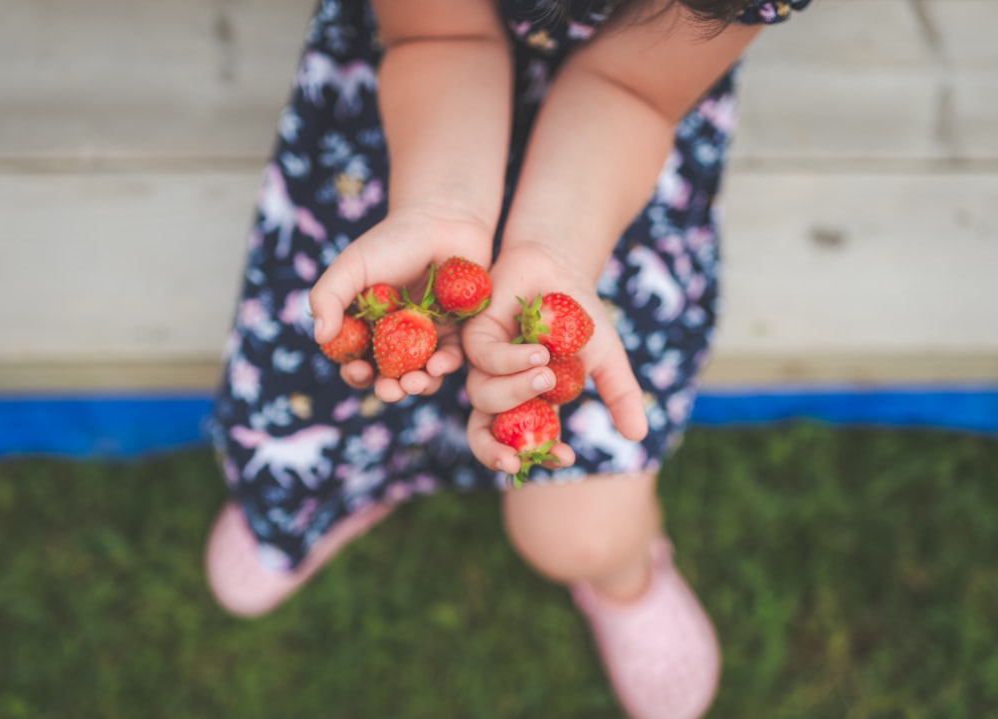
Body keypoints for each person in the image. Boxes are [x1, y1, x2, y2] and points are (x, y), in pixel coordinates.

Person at [205, 0, 810, 716]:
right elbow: (440, 28)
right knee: (337, 387)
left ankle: (620, 572)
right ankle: (353, 482)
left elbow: (634, 89)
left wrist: (554, 251)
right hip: (419, 120)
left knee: (581, 531)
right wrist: (438, 204)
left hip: (605, 171)